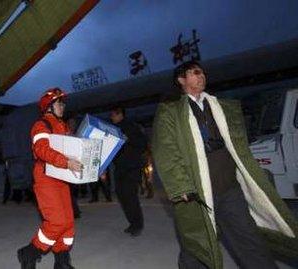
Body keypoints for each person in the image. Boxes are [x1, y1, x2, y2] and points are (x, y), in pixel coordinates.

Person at [152, 60, 298, 269]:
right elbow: (165, 149)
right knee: (197, 246)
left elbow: (237, 144)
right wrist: (181, 185)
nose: (201, 76)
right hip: (197, 192)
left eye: (202, 73)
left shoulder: (220, 107)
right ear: (181, 79)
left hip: (229, 187)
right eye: (195, 73)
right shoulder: (171, 112)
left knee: (249, 240)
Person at [17, 88, 82, 269]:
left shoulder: (64, 127)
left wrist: (93, 168)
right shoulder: (41, 125)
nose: (63, 106)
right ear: (49, 106)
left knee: (68, 223)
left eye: (63, 103)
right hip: (46, 179)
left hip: (62, 178)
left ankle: (62, 262)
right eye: (59, 103)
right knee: (56, 222)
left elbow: (75, 150)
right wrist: (66, 162)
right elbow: (42, 149)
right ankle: (29, 253)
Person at [110, 107, 147, 237]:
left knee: (131, 198)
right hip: (119, 168)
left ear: (120, 114)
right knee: (122, 197)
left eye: (113, 115)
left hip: (131, 168)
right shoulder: (113, 129)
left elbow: (143, 143)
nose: (111, 117)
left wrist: (129, 139)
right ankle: (132, 223)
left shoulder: (131, 127)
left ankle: (138, 225)